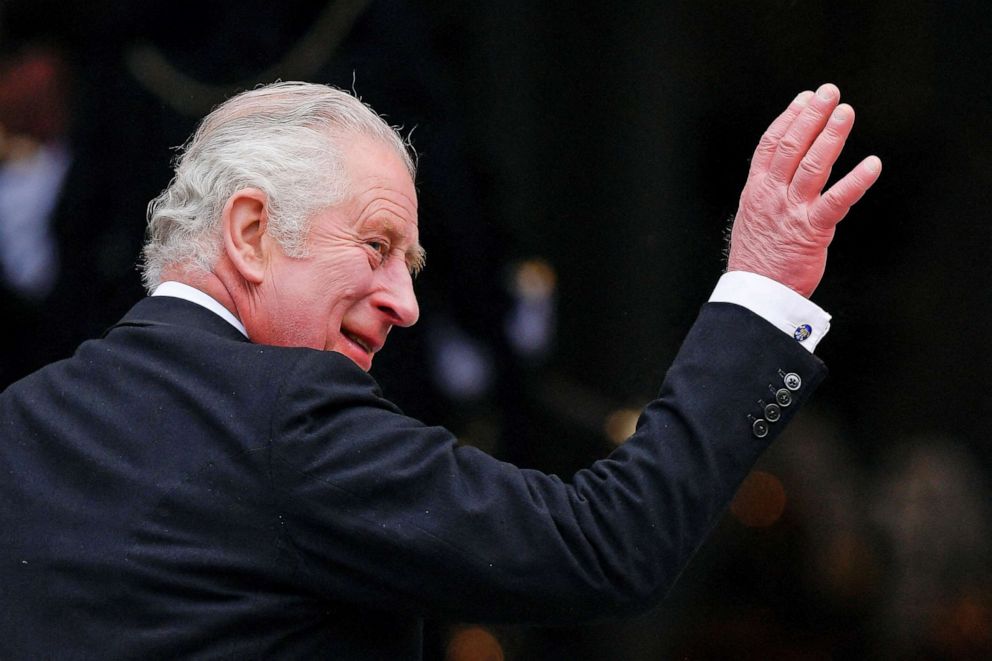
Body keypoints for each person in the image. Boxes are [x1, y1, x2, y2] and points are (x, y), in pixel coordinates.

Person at [0, 81, 880, 658]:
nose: (404, 302)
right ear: (248, 232)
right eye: (377, 246)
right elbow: (608, 545)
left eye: (410, 265)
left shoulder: (21, 420)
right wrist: (763, 292)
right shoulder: (286, 415)